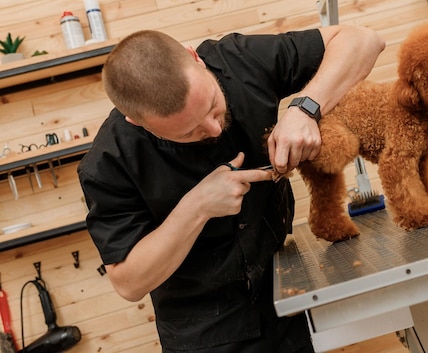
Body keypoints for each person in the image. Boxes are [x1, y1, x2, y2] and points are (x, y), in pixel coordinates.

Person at [77, 25, 385, 352]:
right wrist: (196, 208)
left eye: (212, 105)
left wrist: (305, 108)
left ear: (194, 58)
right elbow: (129, 282)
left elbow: (365, 39)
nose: (212, 129)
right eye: (188, 132)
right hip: (202, 332)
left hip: (282, 297)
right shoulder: (109, 164)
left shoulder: (238, 60)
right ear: (137, 122)